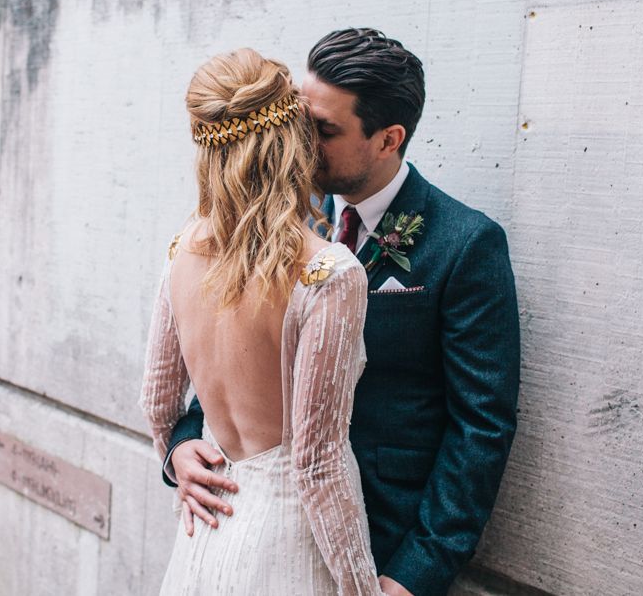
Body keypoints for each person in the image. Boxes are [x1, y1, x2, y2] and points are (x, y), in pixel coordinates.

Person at [163, 29, 521, 596]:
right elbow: (227, 351)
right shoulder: (274, 223)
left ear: (388, 138)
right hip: (262, 530)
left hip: (383, 546)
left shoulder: (465, 244)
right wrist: (182, 444)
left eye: (323, 131)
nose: (298, 143)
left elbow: (481, 426)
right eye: (300, 120)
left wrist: (416, 573)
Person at [139, 47, 384, 595]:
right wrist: (361, 589)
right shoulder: (327, 272)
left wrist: (177, 457)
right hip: (288, 547)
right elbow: (318, 465)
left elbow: (157, 406)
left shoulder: (182, 250)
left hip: (204, 531)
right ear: (291, 140)